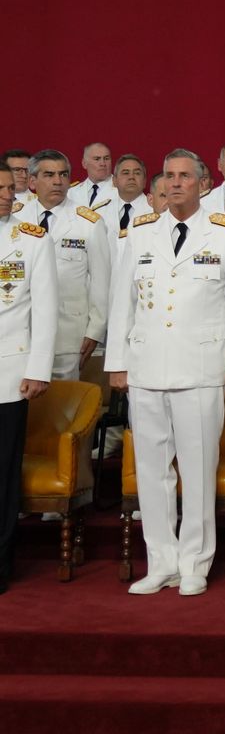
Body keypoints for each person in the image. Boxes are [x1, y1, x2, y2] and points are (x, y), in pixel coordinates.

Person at [106, 148, 225, 596]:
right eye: (169, 176)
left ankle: (194, 562)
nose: (175, 184)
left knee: (198, 467)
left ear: (203, 184)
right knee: (152, 472)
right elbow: (122, 304)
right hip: (147, 366)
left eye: (184, 177)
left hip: (202, 368)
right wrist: (117, 363)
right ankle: (160, 561)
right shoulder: (140, 233)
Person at [0, 164, 58, 594]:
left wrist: (38, 368)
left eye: (8, 186)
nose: (8, 194)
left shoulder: (32, 238)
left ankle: (1, 566)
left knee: (3, 474)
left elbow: (45, 308)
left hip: (8, 372)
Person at [19, 149, 111, 381]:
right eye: (49, 175)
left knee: (63, 407)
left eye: (63, 174)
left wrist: (95, 331)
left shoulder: (88, 222)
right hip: (20, 332)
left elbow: (102, 281)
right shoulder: (15, 219)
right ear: (32, 181)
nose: (58, 181)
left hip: (69, 332)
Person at [67, 142, 115, 208]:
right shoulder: (71, 192)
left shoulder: (122, 189)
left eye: (106, 158)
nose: (103, 163)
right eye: (97, 159)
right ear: (84, 163)